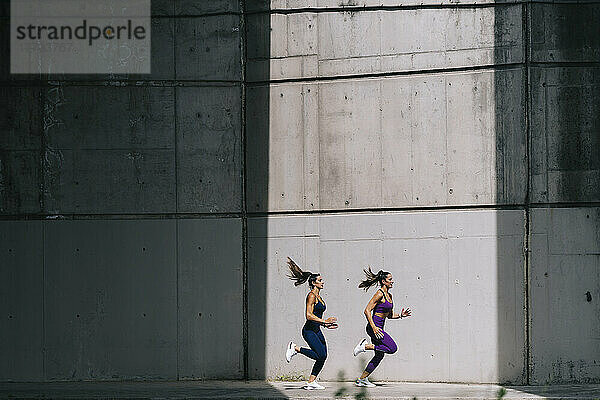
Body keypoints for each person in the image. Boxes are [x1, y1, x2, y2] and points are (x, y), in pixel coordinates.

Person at [284, 257, 338, 390]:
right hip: (308, 331)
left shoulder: (319, 296)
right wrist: (324, 321)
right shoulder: (311, 296)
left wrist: (325, 325)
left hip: (317, 330)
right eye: (320, 280)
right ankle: (295, 348)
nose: (322, 282)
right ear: (314, 283)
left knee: (323, 356)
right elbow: (308, 315)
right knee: (319, 355)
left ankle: (311, 382)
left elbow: (317, 316)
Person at [353, 267, 411, 387]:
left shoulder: (389, 296)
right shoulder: (379, 294)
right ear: (383, 281)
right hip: (374, 327)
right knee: (392, 348)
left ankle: (362, 379)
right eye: (390, 279)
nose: (392, 281)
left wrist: (401, 315)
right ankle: (364, 346)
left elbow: (389, 315)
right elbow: (367, 310)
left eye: (392, 279)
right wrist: (373, 327)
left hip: (380, 327)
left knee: (379, 355)